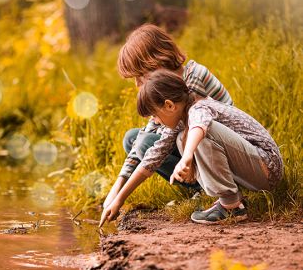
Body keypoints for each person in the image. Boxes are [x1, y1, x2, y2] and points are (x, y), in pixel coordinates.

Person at [99, 69, 283, 226]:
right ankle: (231, 201)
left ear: (169, 105)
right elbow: (152, 158)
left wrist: (187, 158)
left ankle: (231, 206)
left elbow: (199, 127)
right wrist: (119, 199)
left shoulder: (199, 107)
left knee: (200, 135)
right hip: (252, 168)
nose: (155, 122)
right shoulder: (179, 121)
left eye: (155, 116)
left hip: (266, 167)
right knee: (181, 138)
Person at [102, 23, 234, 217]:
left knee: (150, 144)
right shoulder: (162, 89)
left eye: (140, 76)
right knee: (133, 139)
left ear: (156, 62)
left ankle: (211, 185)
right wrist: (116, 187)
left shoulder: (192, 78)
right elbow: (147, 133)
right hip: (191, 143)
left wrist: (121, 197)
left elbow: (168, 140)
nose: (138, 84)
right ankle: (199, 187)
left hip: (220, 150)